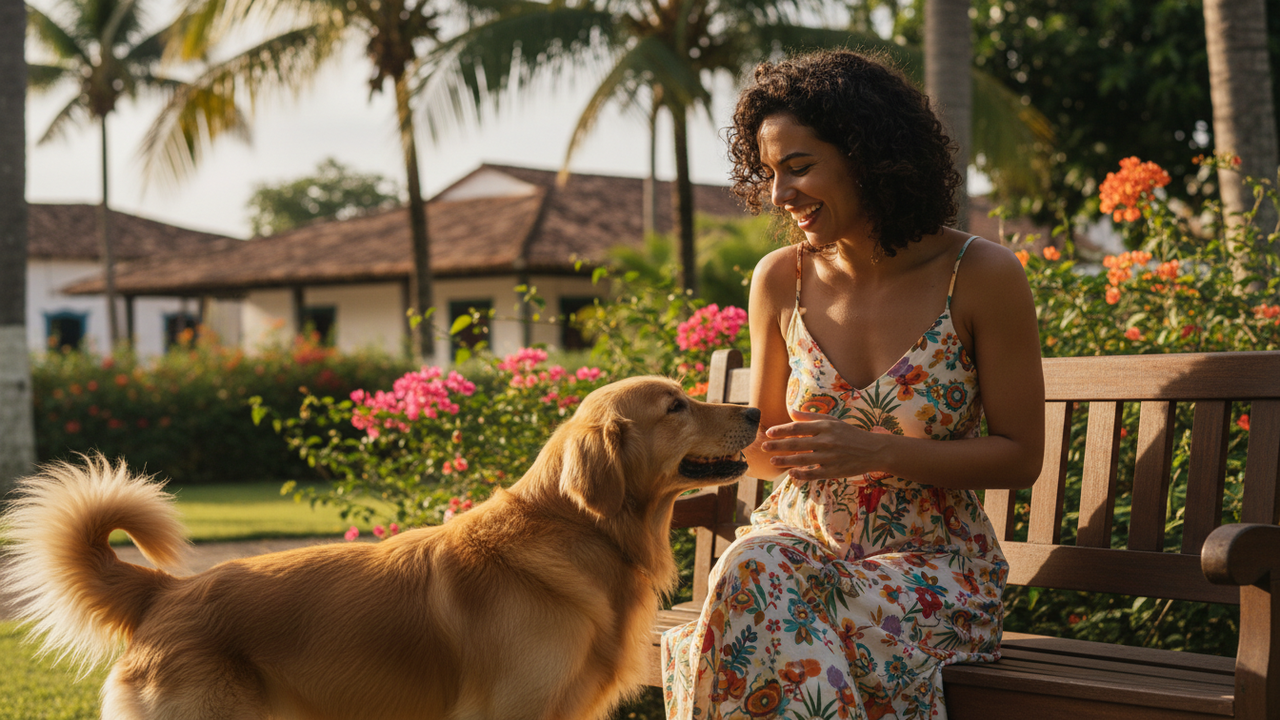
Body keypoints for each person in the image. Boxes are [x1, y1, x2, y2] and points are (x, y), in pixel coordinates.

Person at [661, 49, 1045, 720]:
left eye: (799, 167)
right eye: (769, 174)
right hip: (796, 550)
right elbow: (765, 448)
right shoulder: (780, 278)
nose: (779, 195)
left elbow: (1020, 457)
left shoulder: (981, 275)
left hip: (931, 573)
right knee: (761, 573)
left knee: (756, 595)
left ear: (870, 155)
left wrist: (879, 452)